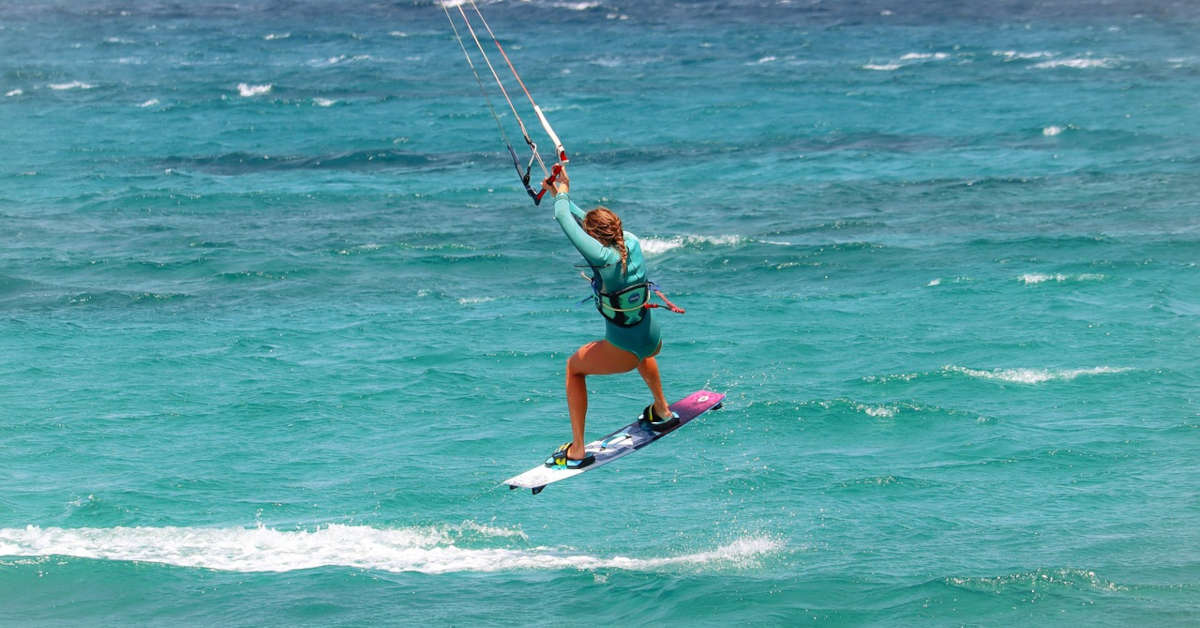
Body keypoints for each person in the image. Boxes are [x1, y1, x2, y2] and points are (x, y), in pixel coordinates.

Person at [542, 166, 678, 469]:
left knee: (573, 368)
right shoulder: (630, 241)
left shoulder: (603, 259)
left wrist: (561, 197)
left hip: (625, 352)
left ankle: (577, 449)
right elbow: (584, 226)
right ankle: (663, 410)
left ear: (595, 240)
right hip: (653, 340)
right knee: (639, 344)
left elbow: (567, 223)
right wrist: (559, 195)